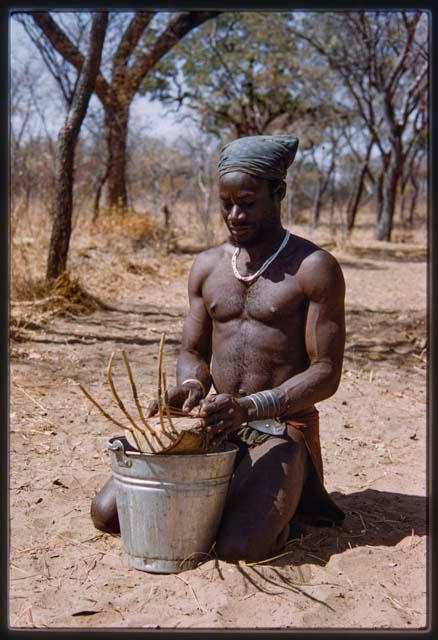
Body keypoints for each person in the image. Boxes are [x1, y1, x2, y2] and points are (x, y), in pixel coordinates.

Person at [91, 134, 346, 562]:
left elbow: (326, 372)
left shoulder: (314, 268)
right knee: (108, 514)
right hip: (215, 423)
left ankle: (284, 494)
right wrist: (190, 384)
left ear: (278, 193)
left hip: (280, 429)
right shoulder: (208, 266)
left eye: (247, 202)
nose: (234, 215)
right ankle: (238, 491)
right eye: (225, 203)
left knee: (238, 547)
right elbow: (193, 350)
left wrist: (251, 407)